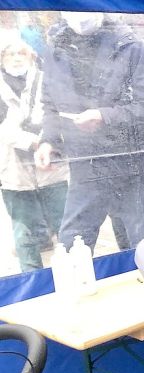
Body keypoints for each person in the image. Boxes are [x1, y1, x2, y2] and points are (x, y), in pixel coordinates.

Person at [36, 12, 144, 251]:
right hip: (86, 165)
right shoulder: (55, 48)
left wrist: (104, 116)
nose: (81, 13)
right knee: (71, 247)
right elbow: (50, 104)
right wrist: (48, 140)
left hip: (134, 166)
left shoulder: (128, 45)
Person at [0, 38, 69, 272]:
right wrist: (38, 142)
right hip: (14, 174)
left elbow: (56, 115)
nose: (17, 58)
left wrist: (48, 141)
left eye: (22, 53)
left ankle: (71, 274)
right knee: (24, 234)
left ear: (31, 57)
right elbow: (4, 130)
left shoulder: (45, 80)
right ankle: (32, 282)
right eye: (10, 54)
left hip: (52, 171)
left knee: (66, 228)